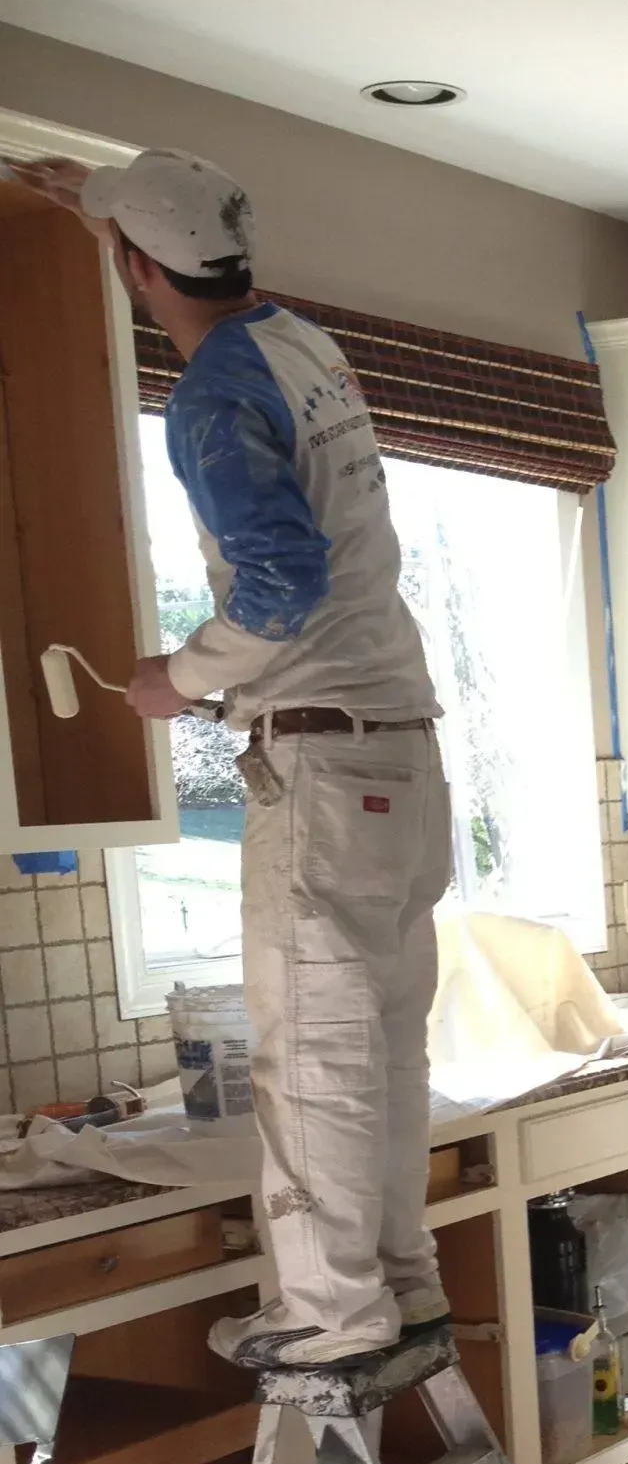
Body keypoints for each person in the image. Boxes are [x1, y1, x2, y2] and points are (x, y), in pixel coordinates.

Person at [19, 149, 450, 1367]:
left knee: (312, 1054)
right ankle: (403, 1281)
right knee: (384, 1049)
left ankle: (330, 1312)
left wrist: (180, 676)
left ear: (136, 267)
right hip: (399, 755)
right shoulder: (302, 343)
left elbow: (279, 580)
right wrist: (94, 200)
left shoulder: (211, 395)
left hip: (324, 770)